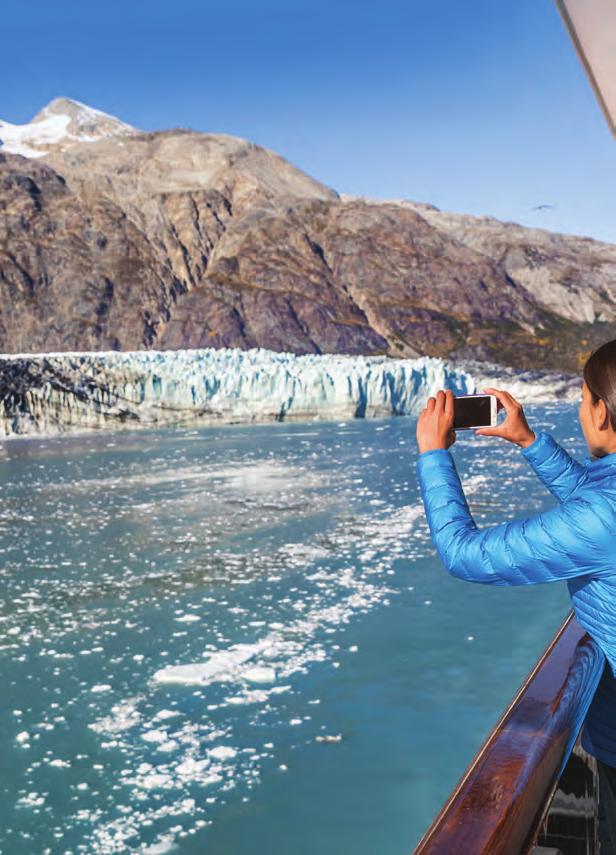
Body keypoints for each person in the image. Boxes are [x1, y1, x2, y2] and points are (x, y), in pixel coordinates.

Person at [415, 338, 616, 852]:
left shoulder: (603, 518)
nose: (579, 409)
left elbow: (465, 554)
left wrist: (433, 455)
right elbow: (595, 509)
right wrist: (529, 441)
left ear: (603, 411)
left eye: (584, 397)